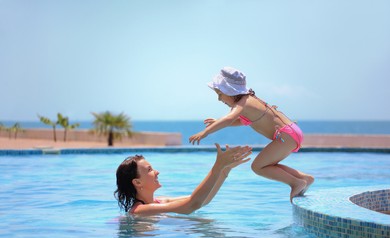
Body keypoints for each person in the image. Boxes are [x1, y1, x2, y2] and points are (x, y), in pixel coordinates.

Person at [189, 66, 314, 202]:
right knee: (268, 165)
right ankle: (303, 178)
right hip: (290, 133)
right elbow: (241, 121)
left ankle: (296, 183)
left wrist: (205, 132)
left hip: (285, 136)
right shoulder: (249, 101)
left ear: (230, 91)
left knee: (258, 167)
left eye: (220, 94)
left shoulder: (243, 103)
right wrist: (218, 121)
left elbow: (230, 118)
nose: (219, 99)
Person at [115, 143, 252, 215]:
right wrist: (217, 166)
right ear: (137, 182)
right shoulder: (139, 211)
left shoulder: (160, 201)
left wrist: (225, 169)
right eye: (150, 170)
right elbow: (191, 205)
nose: (157, 172)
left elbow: (203, 200)